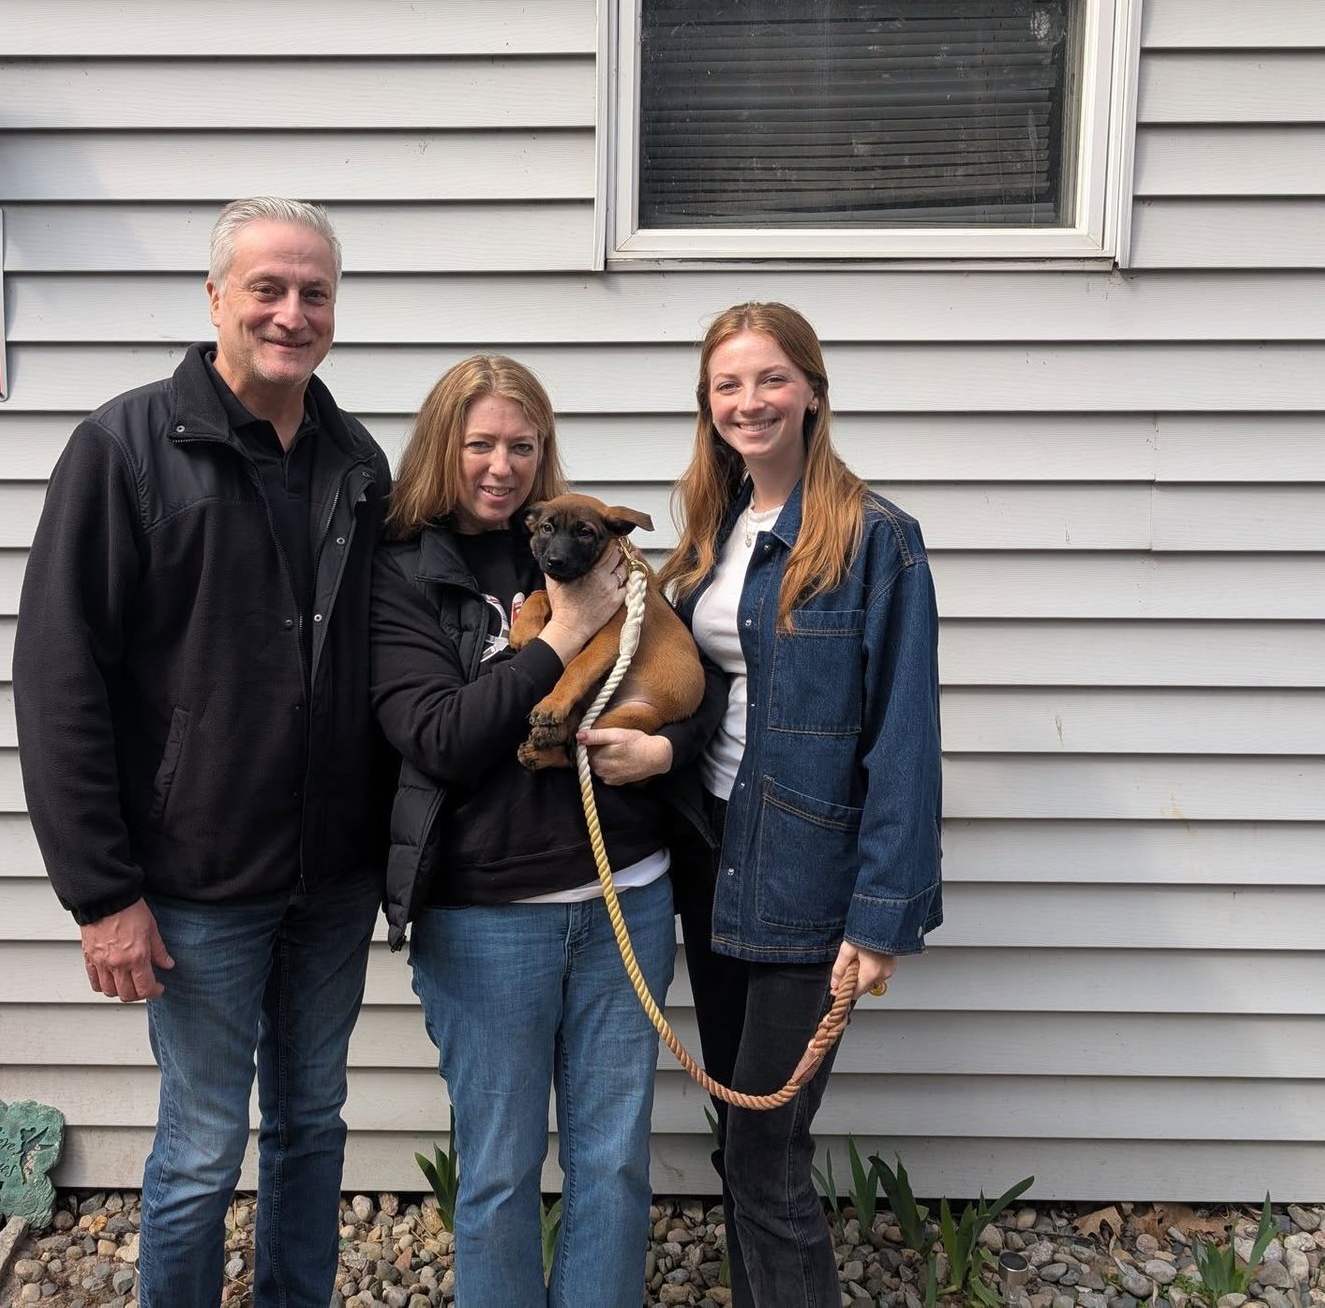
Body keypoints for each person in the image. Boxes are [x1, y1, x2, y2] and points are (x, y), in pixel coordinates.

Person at [12, 197, 392, 1308]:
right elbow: (57, 676)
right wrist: (101, 892)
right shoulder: (125, 448)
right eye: (267, 288)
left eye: (313, 292)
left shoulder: (353, 460)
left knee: (313, 1124)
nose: (291, 311)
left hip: (329, 879)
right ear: (216, 297)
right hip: (195, 884)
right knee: (200, 1147)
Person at [370, 355, 723, 1308]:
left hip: (625, 895)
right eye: (479, 443)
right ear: (444, 445)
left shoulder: (593, 542)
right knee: (497, 1170)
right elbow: (439, 737)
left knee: (612, 1162)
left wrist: (667, 752)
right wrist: (565, 637)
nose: (500, 464)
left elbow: (689, 680)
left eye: (521, 446)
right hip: (488, 917)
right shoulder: (402, 574)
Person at [656, 301, 944, 1308]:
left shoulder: (877, 541)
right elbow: (697, 692)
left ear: (812, 390)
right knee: (742, 1141)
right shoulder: (712, 531)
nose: (749, 401)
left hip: (809, 882)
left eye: (770, 379)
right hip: (713, 857)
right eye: (727, 384)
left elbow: (903, 744)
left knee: (768, 1152)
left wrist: (881, 917)